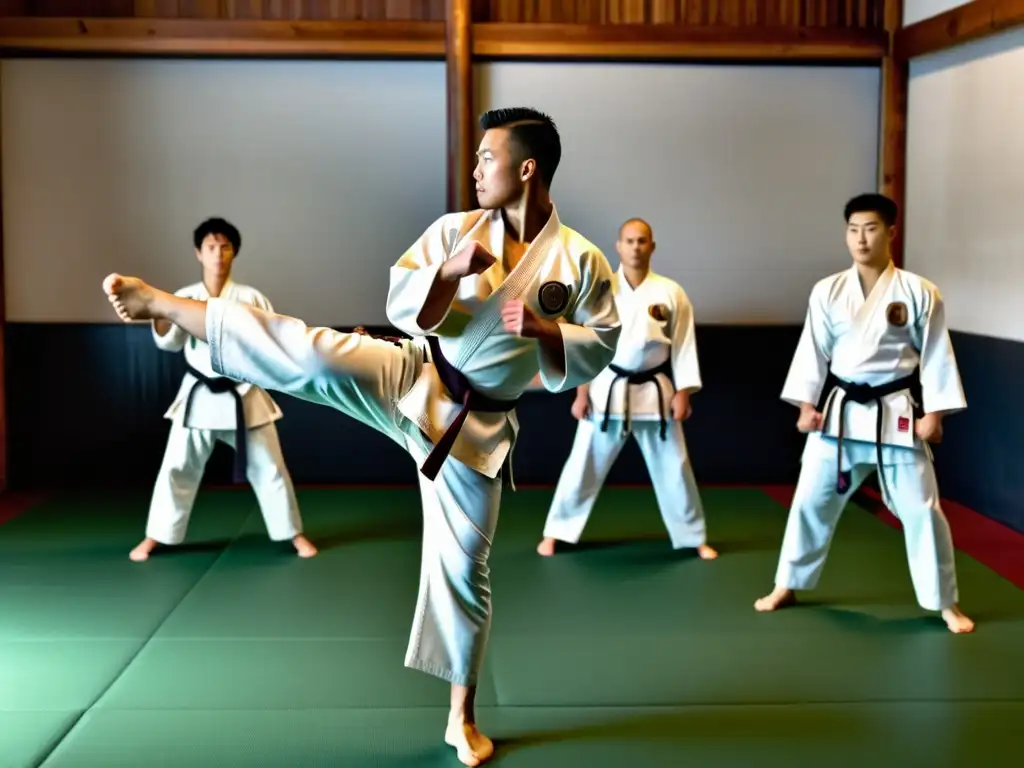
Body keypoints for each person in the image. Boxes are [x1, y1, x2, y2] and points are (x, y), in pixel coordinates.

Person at [101, 107, 621, 766]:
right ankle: (168, 305)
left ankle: (460, 718)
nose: (476, 169)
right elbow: (405, 307)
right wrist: (451, 272)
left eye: (487, 158)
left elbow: (603, 344)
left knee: (464, 570)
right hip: (416, 374)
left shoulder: (580, 260)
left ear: (527, 168)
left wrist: (547, 331)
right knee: (316, 353)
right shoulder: (456, 231)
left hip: (477, 429)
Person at [753, 193, 974, 634]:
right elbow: (812, 352)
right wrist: (804, 405)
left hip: (897, 414)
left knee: (922, 509)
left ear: (891, 232)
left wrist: (936, 415)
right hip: (839, 414)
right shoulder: (828, 290)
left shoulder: (918, 291)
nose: (861, 238)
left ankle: (944, 601)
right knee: (810, 501)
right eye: (853, 229)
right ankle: (787, 583)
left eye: (871, 228)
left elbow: (936, 356)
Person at [131, 217, 316, 563]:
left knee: (271, 468)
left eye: (225, 247)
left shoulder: (250, 297)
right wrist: (156, 309)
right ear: (198, 253)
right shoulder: (183, 298)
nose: (218, 254)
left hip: (244, 394)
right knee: (176, 467)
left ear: (234, 253)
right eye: (211, 247)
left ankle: (294, 533)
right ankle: (156, 536)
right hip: (199, 396)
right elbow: (170, 343)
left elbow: (269, 340)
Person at [537, 218, 717, 560]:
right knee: (582, 465)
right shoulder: (601, 290)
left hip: (656, 391)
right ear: (618, 246)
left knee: (675, 466)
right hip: (606, 387)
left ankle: (693, 536)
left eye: (642, 241)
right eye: (630, 240)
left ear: (652, 246)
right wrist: (581, 393)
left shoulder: (670, 292)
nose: (636, 247)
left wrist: (683, 392)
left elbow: (682, 345)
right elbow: (587, 345)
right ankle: (557, 533)